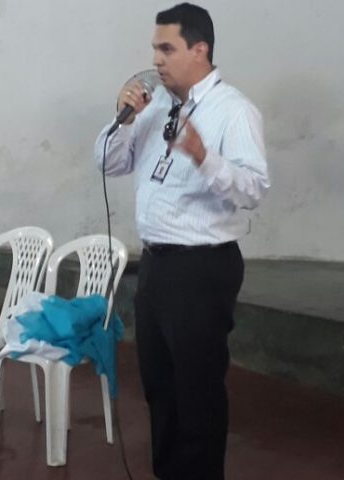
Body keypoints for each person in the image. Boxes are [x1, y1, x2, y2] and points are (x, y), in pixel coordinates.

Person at [93, 3, 270, 479]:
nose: (156, 60)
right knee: (160, 387)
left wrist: (204, 157)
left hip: (202, 268)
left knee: (197, 391)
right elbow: (108, 162)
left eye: (166, 49)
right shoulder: (155, 108)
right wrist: (125, 120)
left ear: (199, 49)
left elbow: (253, 190)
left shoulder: (234, 111)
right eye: (155, 49)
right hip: (156, 265)